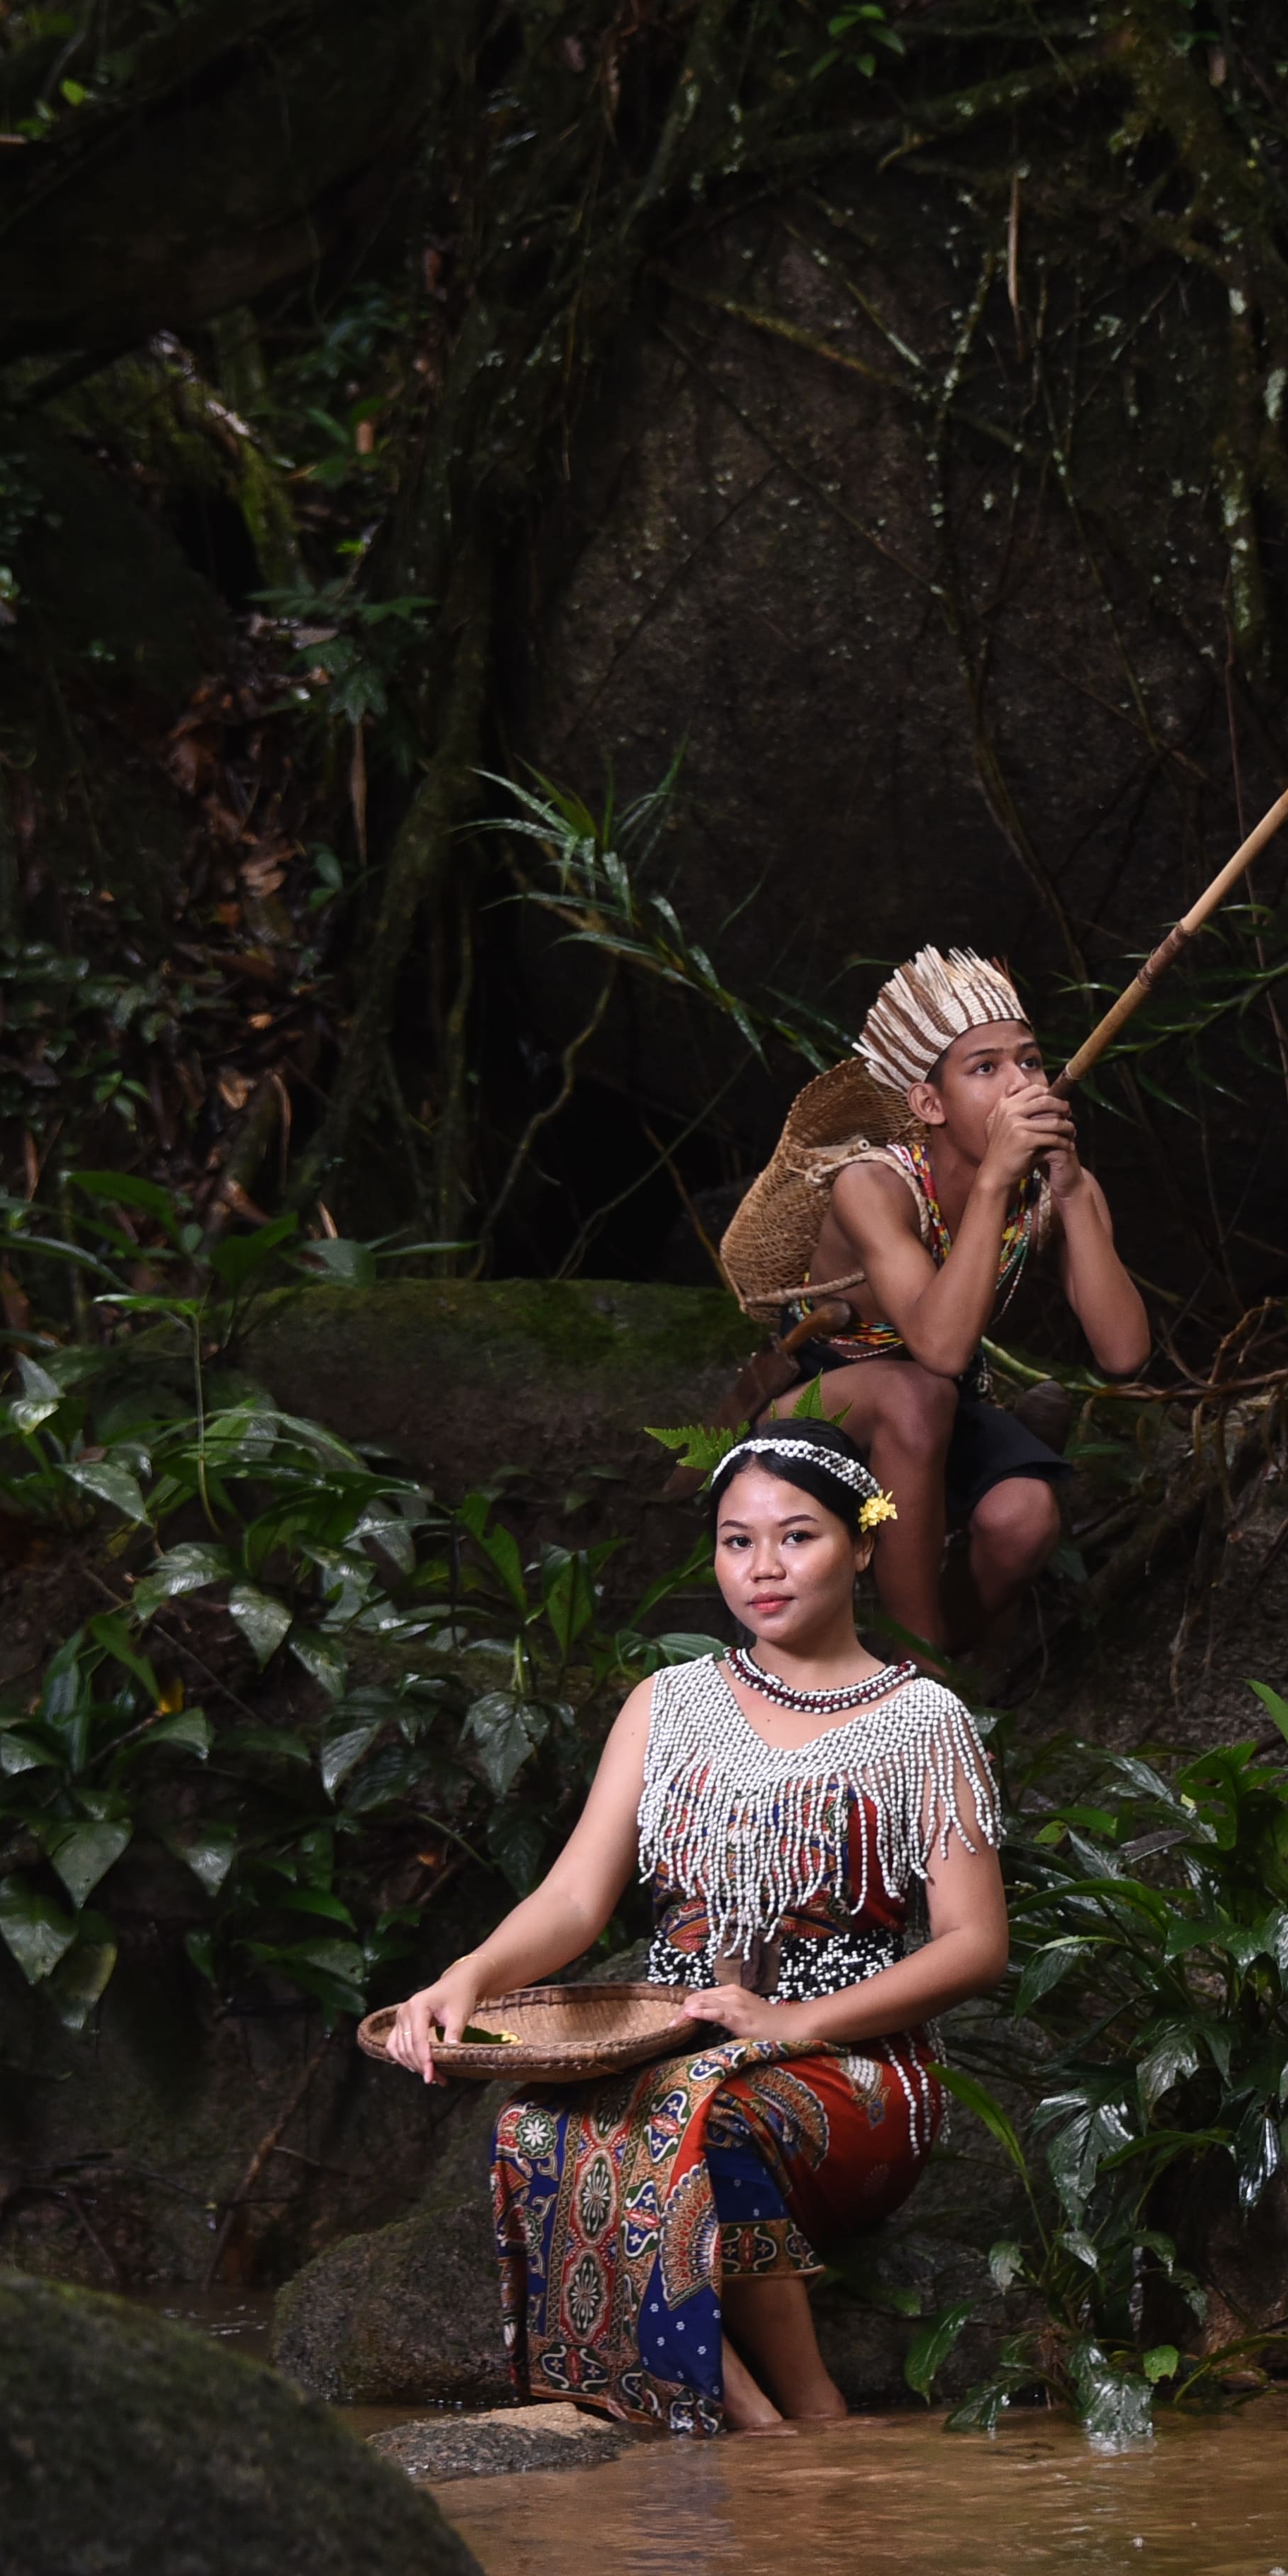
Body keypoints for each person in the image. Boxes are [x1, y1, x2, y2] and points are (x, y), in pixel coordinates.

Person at [379, 1419, 1009, 2433]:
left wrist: (790, 2025)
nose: (763, 1567)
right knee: (534, 2126)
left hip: (854, 2062)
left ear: (863, 1543)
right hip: (680, 2036)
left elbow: (976, 1945)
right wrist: (470, 1976)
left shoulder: (922, 1719)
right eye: (736, 1540)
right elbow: (577, 1899)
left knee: (695, 2115)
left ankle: (810, 2404)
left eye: (797, 1536)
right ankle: (756, 2422)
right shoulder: (668, 1705)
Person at [718, 948, 1153, 1648]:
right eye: (985, 1068)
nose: (1019, 1084)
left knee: (1025, 1516)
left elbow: (1124, 1351)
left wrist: (1071, 1192)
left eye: (1030, 1061)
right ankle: (920, 1668)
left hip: (941, 1401)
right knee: (919, 1393)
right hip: (820, 1399)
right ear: (929, 1103)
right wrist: (990, 1186)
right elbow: (941, 1349)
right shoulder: (873, 1185)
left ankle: (937, 1653)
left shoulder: (1051, 1186)